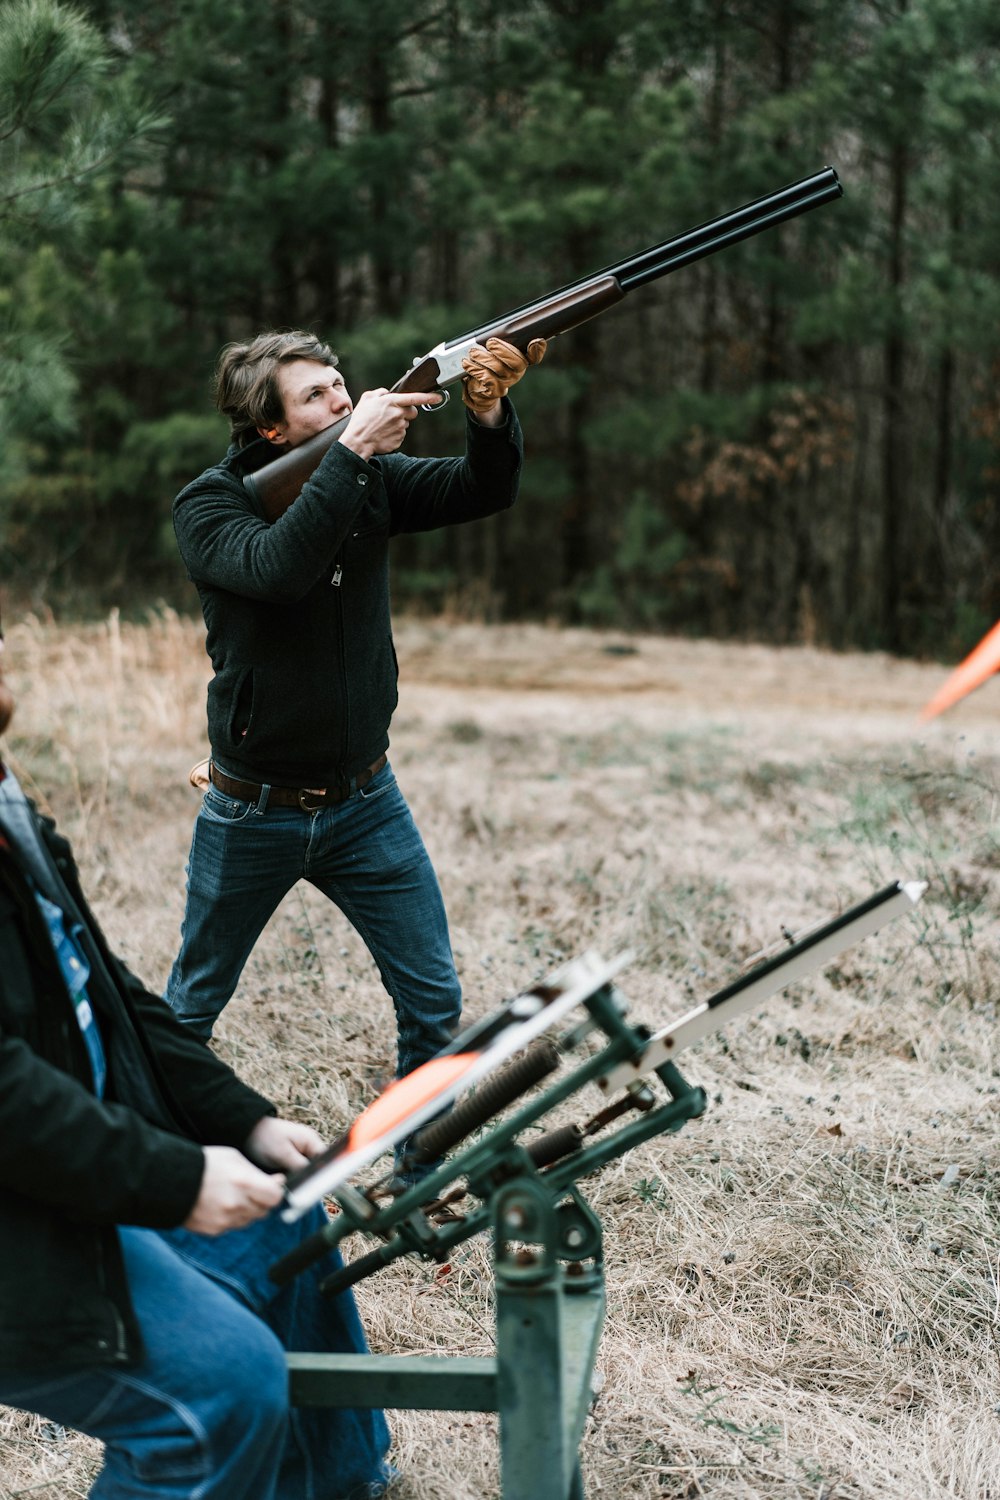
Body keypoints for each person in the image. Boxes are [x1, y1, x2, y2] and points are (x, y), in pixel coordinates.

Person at [0, 613, 393, 1500]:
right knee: (224, 1391)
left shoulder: (6, 805)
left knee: (286, 1223)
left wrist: (245, 1121)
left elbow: (112, 998)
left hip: (56, 1184)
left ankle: (336, 1487)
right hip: (23, 1224)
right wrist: (177, 1178)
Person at [163, 330, 544, 1107]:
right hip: (252, 809)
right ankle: (147, 1178)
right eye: (316, 396)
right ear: (271, 429)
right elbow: (276, 571)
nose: (344, 400)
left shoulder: (367, 476)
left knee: (434, 1001)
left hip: (367, 800)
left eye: (340, 385)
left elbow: (483, 489)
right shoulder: (210, 503)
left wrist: (490, 411)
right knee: (191, 1009)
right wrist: (351, 455)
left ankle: (416, 1170)